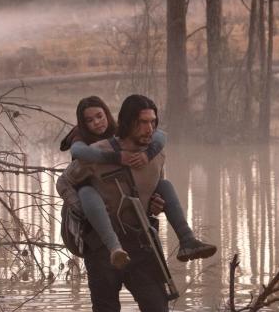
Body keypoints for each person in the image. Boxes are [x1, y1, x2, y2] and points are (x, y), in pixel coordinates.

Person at [61, 95, 180, 312]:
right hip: (102, 248)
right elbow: (65, 182)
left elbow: (154, 189)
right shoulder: (96, 151)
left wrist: (156, 204)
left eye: (152, 122)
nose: (148, 129)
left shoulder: (156, 151)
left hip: (141, 243)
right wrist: (83, 209)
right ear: (128, 123)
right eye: (142, 123)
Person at [57, 96, 215, 268]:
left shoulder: (129, 135)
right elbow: (77, 155)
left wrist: (148, 156)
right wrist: (116, 157)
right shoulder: (81, 139)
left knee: (165, 185)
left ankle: (187, 239)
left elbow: (161, 137)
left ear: (108, 114)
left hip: (135, 225)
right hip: (92, 208)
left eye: (100, 116)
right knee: (86, 192)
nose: (96, 123)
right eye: (89, 120)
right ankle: (114, 247)